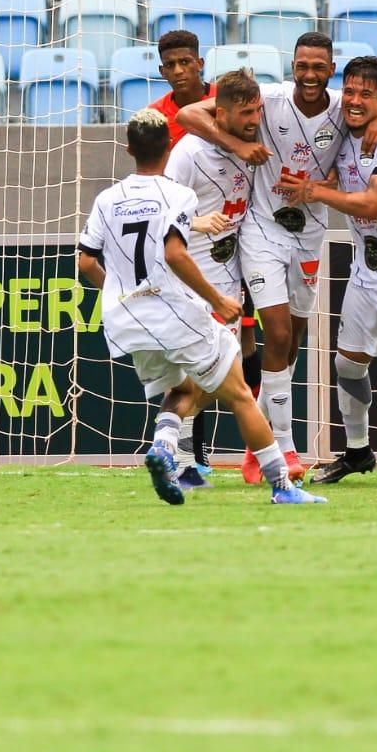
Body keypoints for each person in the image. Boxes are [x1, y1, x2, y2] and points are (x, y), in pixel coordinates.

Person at [175, 33, 377, 483]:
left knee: (292, 339)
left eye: (319, 67)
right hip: (262, 229)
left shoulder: (343, 108)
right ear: (292, 65)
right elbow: (188, 112)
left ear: (330, 70)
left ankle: (262, 444)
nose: (310, 75)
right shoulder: (267, 99)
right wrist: (237, 146)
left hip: (310, 234)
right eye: (302, 65)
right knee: (272, 330)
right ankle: (283, 449)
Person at [76, 109, 324, 506]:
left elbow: (86, 261)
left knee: (181, 388)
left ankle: (162, 446)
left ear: (128, 150)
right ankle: (282, 486)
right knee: (240, 392)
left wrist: (119, 293)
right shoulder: (178, 194)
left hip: (126, 320)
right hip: (172, 312)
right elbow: (174, 254)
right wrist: (218, 299)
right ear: (169, 146)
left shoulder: (107, 198)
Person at [276, 57, 377, 483]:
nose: (353, 101)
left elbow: (373, 203)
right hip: (366, 271)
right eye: (349, 91)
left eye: (366, 95)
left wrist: (314, 191)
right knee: (347, 365)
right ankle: (357, 452)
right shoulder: (342, 127)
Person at [148, 28, 248, 477]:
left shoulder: (226, 100)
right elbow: (152, 185)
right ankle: (188, 454)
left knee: (243, 349)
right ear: (161, 69)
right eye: (170, 65)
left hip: (239, 246)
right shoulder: (155, 117)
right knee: (195, 354)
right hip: (187, 248)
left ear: (200, 63)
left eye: (186, 62)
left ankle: (199, 448)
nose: (179, 71)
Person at [162, 69, 262, 489]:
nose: (254, 119)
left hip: (232, 272)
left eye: (257, 110)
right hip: (194, 277)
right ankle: (178, 454)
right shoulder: (188, 153)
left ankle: (178, 453)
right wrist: (196, 221)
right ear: (220, 114)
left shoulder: (252, 143)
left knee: (227, 368)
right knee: (206, 374)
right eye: (245, 113)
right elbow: (163, 213)